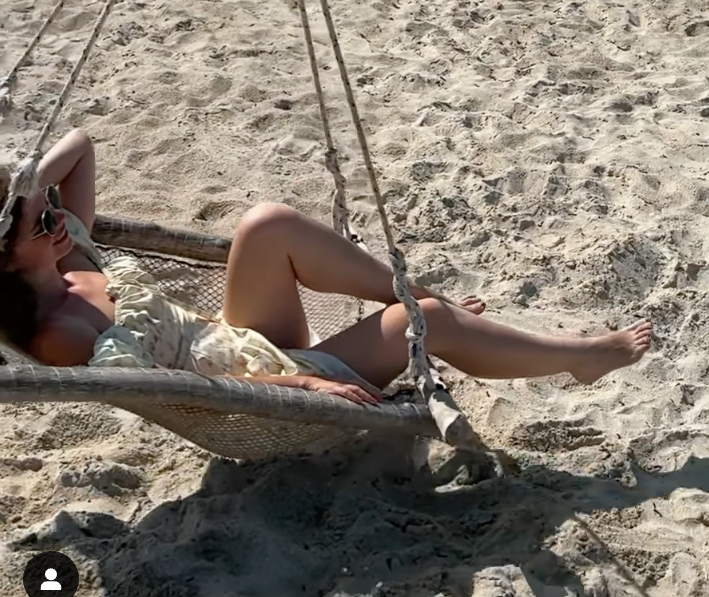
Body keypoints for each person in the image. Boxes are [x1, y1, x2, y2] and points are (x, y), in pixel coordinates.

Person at [0, 130, 651, 405]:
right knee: (423, 325)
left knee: (265, 223)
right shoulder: (60, 335)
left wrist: (22, 196)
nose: (56, 216)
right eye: (39, 221)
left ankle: (419, 292)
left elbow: (79, 146)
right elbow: (182, 397)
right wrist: (306, 389)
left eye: (49, 208)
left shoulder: (68, 259)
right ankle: (578, 356)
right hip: (257, 387)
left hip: (237, 336)